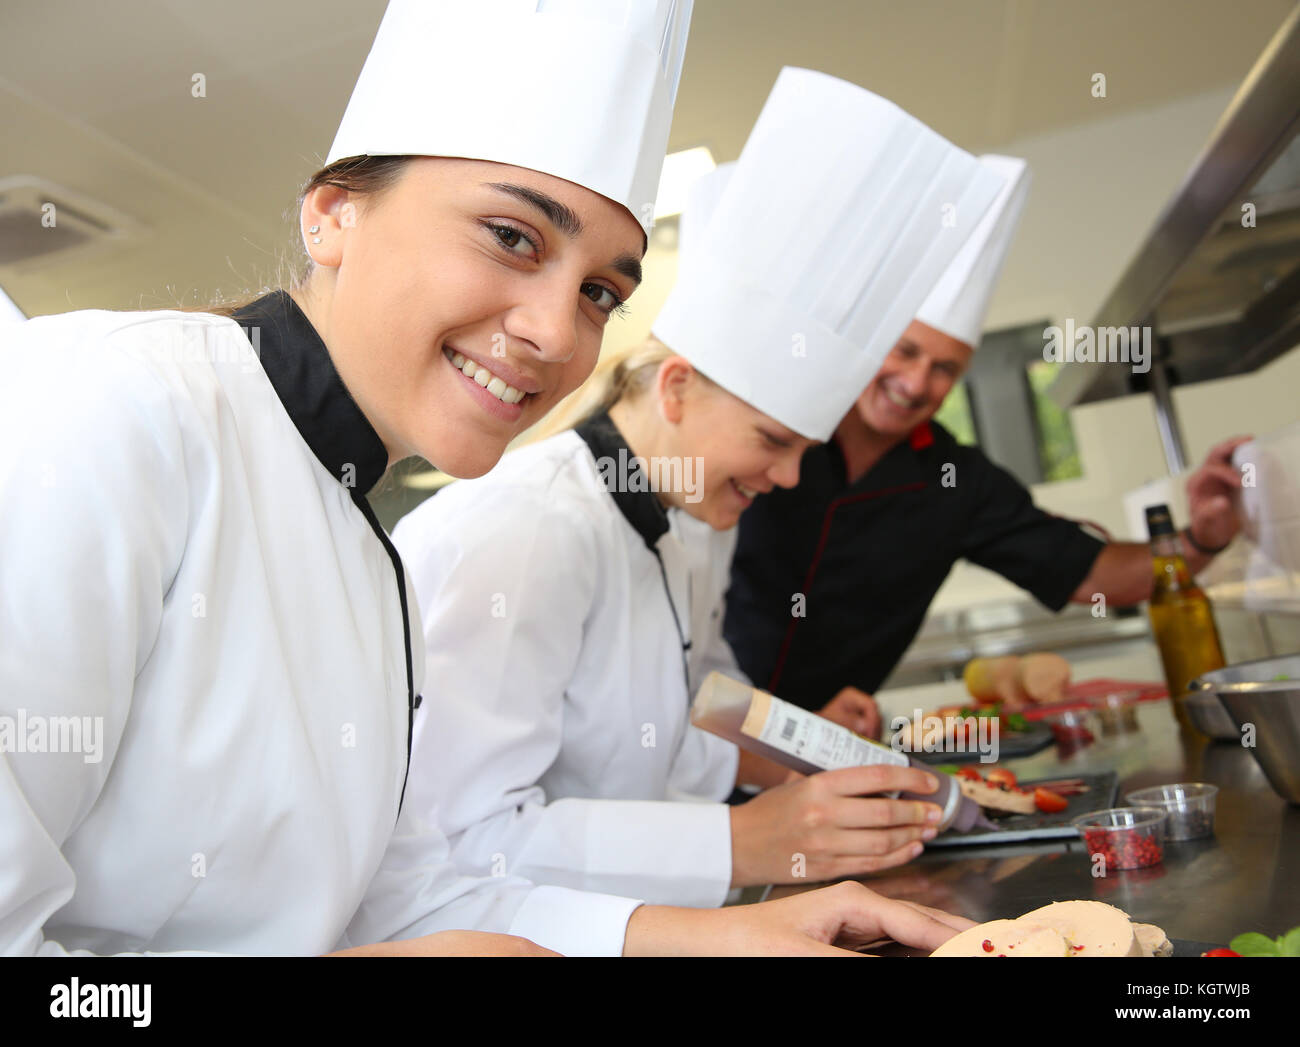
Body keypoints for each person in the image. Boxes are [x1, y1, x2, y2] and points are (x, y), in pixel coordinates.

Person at [0, 0, 975, 958]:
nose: (559, 336)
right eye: (512, 236)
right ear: (332, 212)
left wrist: (727, 937)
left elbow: (398, 897)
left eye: (600, 292)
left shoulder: (363, 550)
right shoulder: (106, 405)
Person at [392, 68, 1007, 907]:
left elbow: (692, 718)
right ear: (676, 388)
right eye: (772, 441)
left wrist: (821, 756)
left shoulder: (694, 523)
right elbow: (466, 843)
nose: (789, 476)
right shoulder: (527, 531)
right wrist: (748, 839)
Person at [719, 156, 1248, 725]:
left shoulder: (957, 481)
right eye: (906, 352)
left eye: (945, 369)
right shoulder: (778, 427)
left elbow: (1093, 575)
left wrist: (1203, 539)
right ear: (872, 342)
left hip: (826, 738)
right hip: (701, 726)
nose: (918, 382)